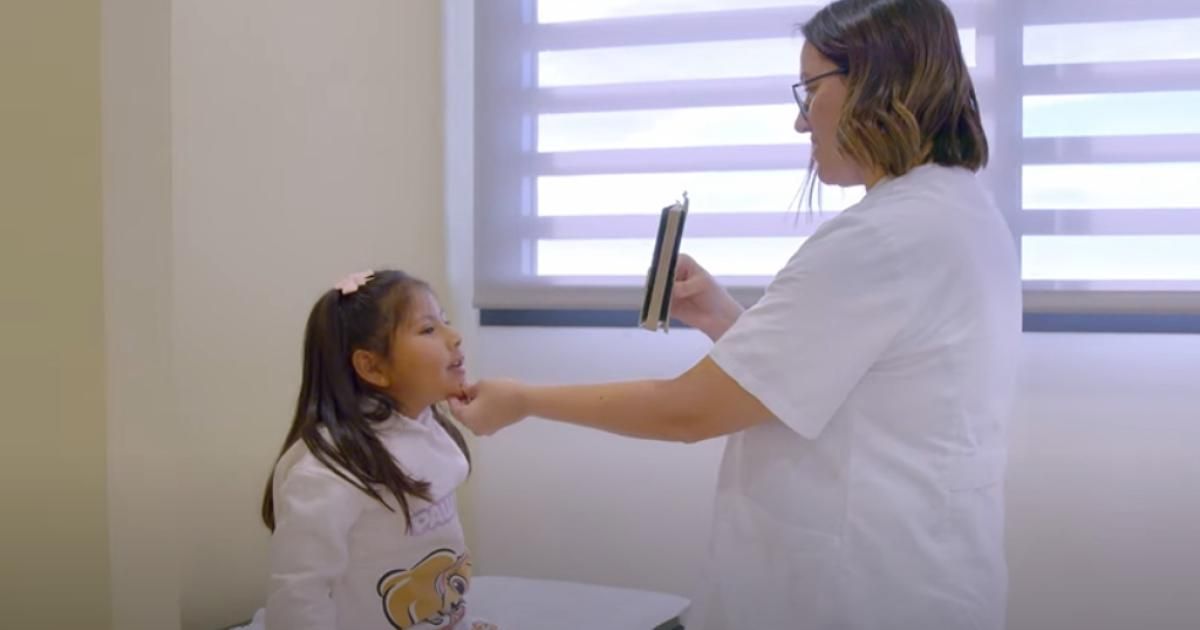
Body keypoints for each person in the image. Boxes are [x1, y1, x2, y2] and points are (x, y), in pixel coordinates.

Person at [449, 0, 1021, 628]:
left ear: (876, 84)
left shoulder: (883, 238)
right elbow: (854, 381)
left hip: (857, 589)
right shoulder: (962, 213)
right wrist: (723, 316)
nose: (801, 123)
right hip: (927, 574)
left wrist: (524, 400)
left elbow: (687, 411)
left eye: (810, 91)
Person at [261, 269, 496, 630]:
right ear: (372, 366)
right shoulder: (329, 471)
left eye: (445, 322)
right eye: (429, 329)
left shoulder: (429, 428)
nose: (456, 337)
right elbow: (299, 593)